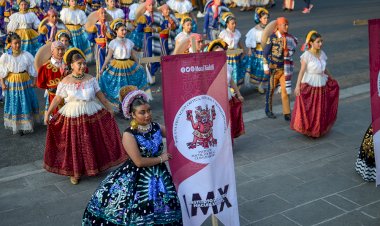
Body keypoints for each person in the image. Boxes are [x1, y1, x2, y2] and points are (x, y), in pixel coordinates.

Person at [82, 85, 183, 225]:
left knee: (166, 207)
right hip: (136, 176)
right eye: (142, 112)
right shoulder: (129, 135)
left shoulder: (156, 127)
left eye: (148, 111)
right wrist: (162, 158)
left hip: (160, 175)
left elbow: (176, 134)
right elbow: (139, 162)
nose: (147, 115)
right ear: (132, 114)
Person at [43, 48, 127, 185]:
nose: (82, 66)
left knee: (92, 141)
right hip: (72, 115)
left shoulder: (91, 79)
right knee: (74, 144)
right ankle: (75, 172)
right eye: (79, 64)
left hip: (90, 112)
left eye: (83, 63)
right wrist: (48, 112)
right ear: (72, 65)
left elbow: (102, 97)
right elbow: (57, 99)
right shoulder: (65, 81)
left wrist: (110, 109)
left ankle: (93, 167)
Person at [290, 31, 339, 137]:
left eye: (321, 41)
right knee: (311, 107)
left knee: (320, 107)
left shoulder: (322, 53)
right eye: (318, 42)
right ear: (311, 43)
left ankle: (319, 128)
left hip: (321, 82)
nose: (320, 44)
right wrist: (297, 86)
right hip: (310, 83)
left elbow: (324, 68)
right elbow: (302, 71)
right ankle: (310, 128)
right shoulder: (306, 55)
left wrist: (331, 78)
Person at [99, 19, 151, 109]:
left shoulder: (129, 42)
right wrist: (103, 68)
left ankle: (129, 104)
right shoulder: (113, 43)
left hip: (128, 65)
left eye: (125, 30)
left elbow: (133, 54)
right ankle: (120, 106)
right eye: (122, 30)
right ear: (116, 31)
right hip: (117, 65)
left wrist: (139, 64)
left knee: (129, 84)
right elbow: (108, 57)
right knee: (119, 86)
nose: (124, 32)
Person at [0, 33, 40, 135]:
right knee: (15, 102)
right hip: (12, 82)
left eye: (19, 43)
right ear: (10, 44)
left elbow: (32, 69)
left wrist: (34, 81)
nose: (18, 45)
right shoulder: (6, 57)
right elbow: (2, 72)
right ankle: (17, 124)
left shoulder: (26, 55)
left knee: (25, 101)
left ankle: (26, 123)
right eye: (15, 43)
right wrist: (2, 84)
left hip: (24, 81)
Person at [207, 39, 245, 139]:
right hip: (215, 99)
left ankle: (229, 143)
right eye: (217, 54)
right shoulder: (209, 68)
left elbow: (231, 81)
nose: (220, 56)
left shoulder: (227, 66)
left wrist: (239, 94)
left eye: (221, 54)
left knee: (229, 120)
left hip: (227, 96)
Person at [263, 17, 297, 121]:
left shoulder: (289, 38)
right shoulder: (272, 38)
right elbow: (265, 53)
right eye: (284, 25)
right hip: (274, 69)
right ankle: (268, 110)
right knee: (271, 90)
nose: (286, 27)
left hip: (284, 69)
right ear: (278, 26)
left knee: (285, 90)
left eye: (287, 25)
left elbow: (293, 50)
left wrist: (289, 53)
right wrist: (265, 66)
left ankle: (287, 112)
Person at [36, 41, 67, 114]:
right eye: (58, 49)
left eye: (62, 49)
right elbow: (40, 83)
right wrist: (50, 88)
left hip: (68, 97)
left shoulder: (68, 63)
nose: (60, 52)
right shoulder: (45, 67)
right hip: (53, 97)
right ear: (52, 51)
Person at [245, 7, 269, 94]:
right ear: (259, 19)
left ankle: (261, 84)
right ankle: (259, 84)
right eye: (264, 18)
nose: (266, 20)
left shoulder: (269, 29)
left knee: (267, 69)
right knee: (259, 68)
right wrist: (250, 50)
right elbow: (249, 41)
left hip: (267, 51)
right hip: (259, 51)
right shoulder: (254, 30)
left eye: (267, 18)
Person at [218, 12, 245, 86]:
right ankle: (229, 89)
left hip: (236, 55)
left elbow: (239, 43)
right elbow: (219, 44)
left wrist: (243, 50)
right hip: (228, 56)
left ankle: (236, 89)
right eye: (232, 23)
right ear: (227, 24)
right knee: (229, 72)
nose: (234, 25)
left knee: (237, 71)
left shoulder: (237, 32)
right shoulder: (223, 33)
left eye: (235, 23)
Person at [86, 8, 113, 78]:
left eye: (105, 13)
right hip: (100, 47)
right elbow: (90, 38)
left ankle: (108, 79)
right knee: (100, 63)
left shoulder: (108, 25)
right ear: (98, 15)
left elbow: (112, 36)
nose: (104, 14)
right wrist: (97, 41)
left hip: (108, 47)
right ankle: (100, 79)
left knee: (109, 62)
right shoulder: (96, 26)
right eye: (102, 13)